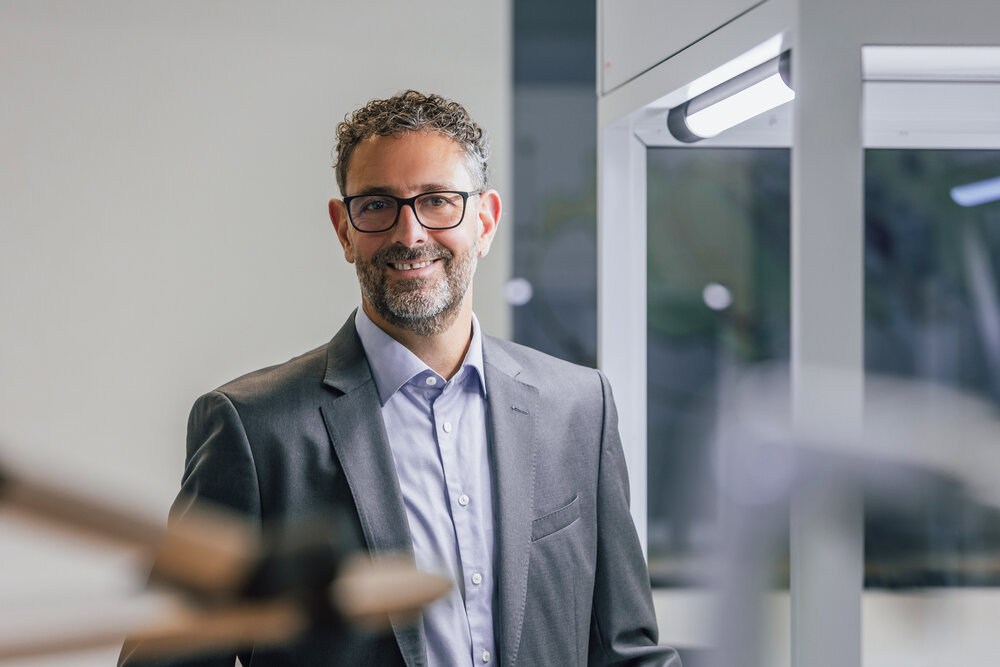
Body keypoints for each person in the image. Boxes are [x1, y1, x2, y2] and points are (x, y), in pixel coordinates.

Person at [121, 91, 679, 666]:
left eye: (437, 201)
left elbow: (628, 654)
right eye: (377, 205)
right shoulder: (254, 429)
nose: (409, 234)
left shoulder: (579, 408)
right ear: (344, 229)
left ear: (485, 221)